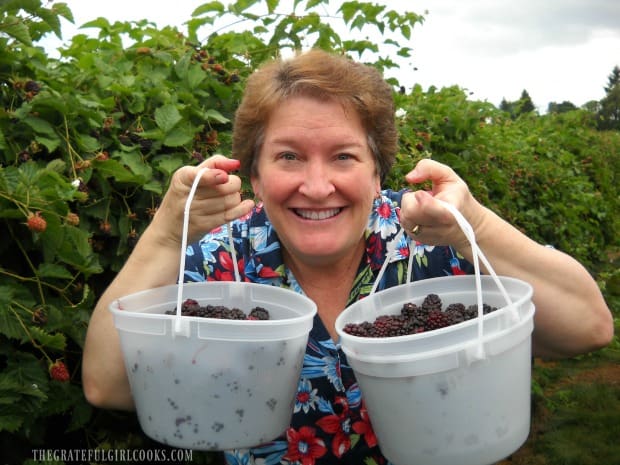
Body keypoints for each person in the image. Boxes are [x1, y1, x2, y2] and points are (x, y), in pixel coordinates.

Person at [82, 49, 613, 464]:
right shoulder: (224, 264)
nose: (317, 186)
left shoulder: (431, 243)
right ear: (257, 177)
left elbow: (587, 328)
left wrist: (473, 222)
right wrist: (166, 238)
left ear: (378, 171)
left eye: (343, 156)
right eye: (289, 156)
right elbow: (109, 384)